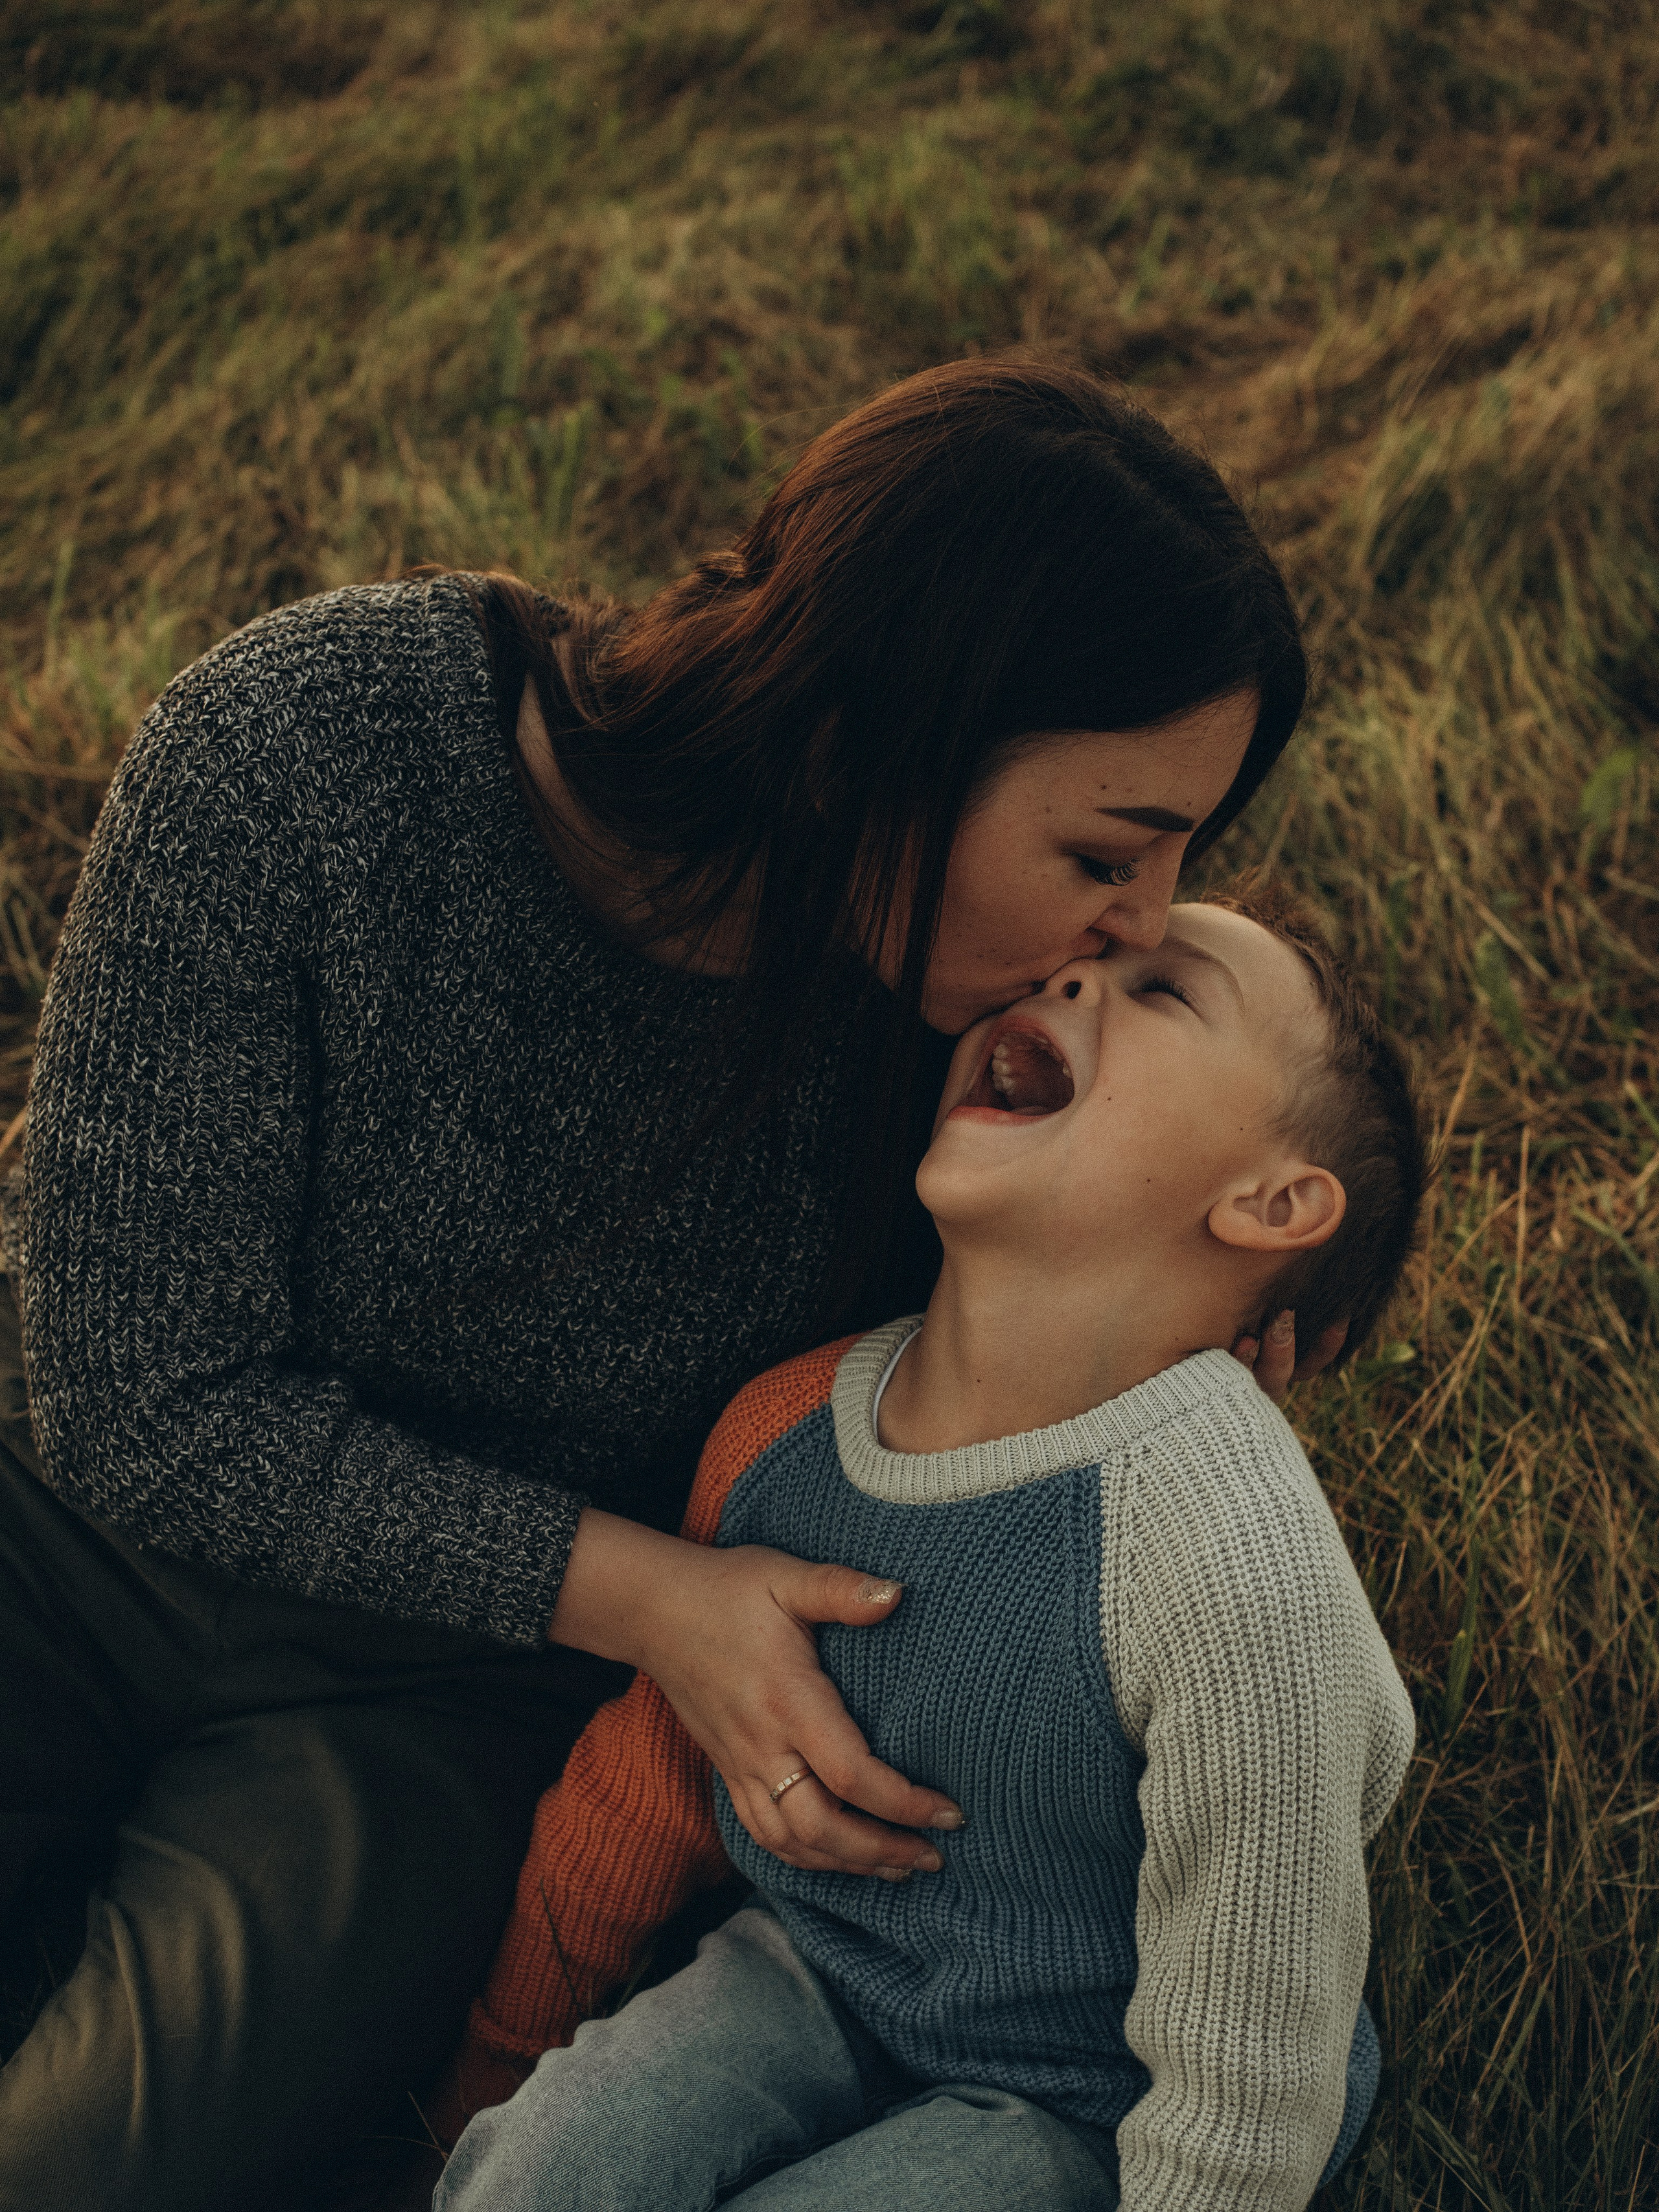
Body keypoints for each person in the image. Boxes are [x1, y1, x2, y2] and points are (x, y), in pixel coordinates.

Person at [0, 360, 1332, 2211]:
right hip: (66, 1541)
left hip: (440, 1698)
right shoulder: (310, 744)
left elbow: (955, 1421)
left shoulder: (951, 1052)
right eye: (1107, 854)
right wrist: (660, 1595)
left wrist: (1171, 1320)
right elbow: (133, 1396)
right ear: (879, 741)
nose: (1136, 925)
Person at [432, 883, 1422, 2212]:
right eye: (1081, 966)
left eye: (1163, 989)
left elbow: (1251, 2052)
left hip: (1089, 2091)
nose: (1063, 983)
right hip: (814, 1969)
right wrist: (495, 2067)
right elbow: (657, 1775)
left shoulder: (1229, 1567)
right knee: (535, 2176)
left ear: (1269, 1200)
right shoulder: (786, 1429)